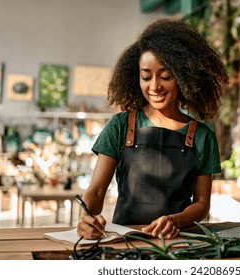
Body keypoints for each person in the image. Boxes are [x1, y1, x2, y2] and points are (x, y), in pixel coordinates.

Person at [77, 18, 229, 240]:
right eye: (146, 77)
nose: (155, 86)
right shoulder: (120, 126)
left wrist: (175, 220)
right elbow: (97, 191)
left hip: (178, 242)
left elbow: (202, 204)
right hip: (125, 241)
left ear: (183, 77)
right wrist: (86, 217)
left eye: (166, 76)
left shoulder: (202, 136)